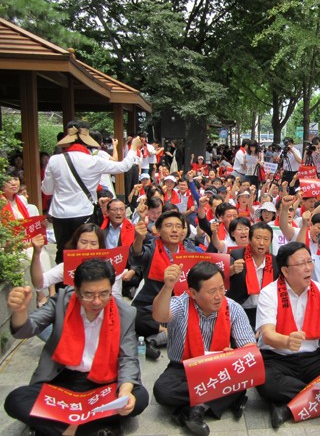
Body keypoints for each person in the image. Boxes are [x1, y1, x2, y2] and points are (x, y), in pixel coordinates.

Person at [4, 259, 149, 435]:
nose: (97, 302)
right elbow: (26, 330)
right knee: (16, 400)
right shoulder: (61, 302)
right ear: (77, 290)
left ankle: (59, 426)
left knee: (139, 398)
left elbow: (128, 358)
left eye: (104, 294)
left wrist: (125, 392)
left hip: (102, 382)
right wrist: (20, 311)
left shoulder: (125, 313)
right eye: (88, 295)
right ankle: (91, 429)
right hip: (62, 381)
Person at [255, 242, 320, 429]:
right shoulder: (269, 293)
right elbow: (268, 335)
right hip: (277, 358)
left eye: (310, 262)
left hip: (311, 358)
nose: (308, 268)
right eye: (301, 263)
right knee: (267, 382)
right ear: (285, 271)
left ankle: (286, 408)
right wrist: (286, 341)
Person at [152, 262, 255, 435]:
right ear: (193, 293)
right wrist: (168, 287)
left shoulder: (233, 308)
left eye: (221, 289)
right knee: (163, 391)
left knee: (243, 377)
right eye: (212, 291)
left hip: (219, 368)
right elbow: (159, 316)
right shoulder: (181, 304)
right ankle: (217, 402)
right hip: (184, 368)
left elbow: (250, 348)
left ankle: (193, 410)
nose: (219, 296)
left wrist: (236, 355)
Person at [42, 121, 142, 264]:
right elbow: (123, 166)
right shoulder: (93, 161)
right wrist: (132, 148)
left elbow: (47, 189)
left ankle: (63, 277)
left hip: (60, 214)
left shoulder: (54, 160)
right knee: (86, 251)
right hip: (84, 212)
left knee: (63, 251)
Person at [130, 211, 196, 352]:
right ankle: (167, 332)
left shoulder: (190, 252)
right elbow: (137, 256)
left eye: (178, 226)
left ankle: (155, 338)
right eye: (169, 226)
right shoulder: (152, 247)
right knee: (133, 316)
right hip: (152, 305)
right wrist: (139, 239)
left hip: (179, 306)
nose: (174, 230)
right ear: (158, 230)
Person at [228, 223, 279, 328]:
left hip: (264, 311)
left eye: (266, 239)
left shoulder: (275, 262)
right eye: (258, 238)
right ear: (250, 239)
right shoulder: (236, 255)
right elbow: (221, 276)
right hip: (239, 309)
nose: (262, 243)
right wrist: (232, 270)